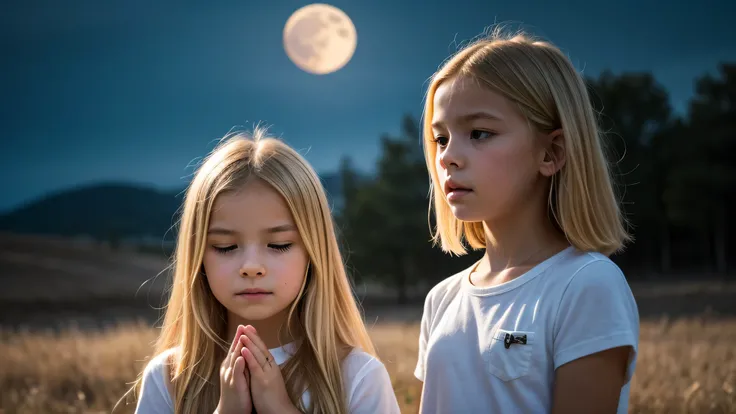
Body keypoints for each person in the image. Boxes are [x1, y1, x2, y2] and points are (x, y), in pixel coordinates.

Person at [414, 28, 640, 413]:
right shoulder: (442, 299)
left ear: (551, 152)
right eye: (440, 138)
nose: (448, 156)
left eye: (479, 133)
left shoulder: (585, 285)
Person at [127, 128, 400, 414]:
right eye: (225, 246)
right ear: (198, 257)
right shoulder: (169, 378)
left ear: (313, 252)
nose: (251, 267)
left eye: (279, 245)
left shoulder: (358, 377)